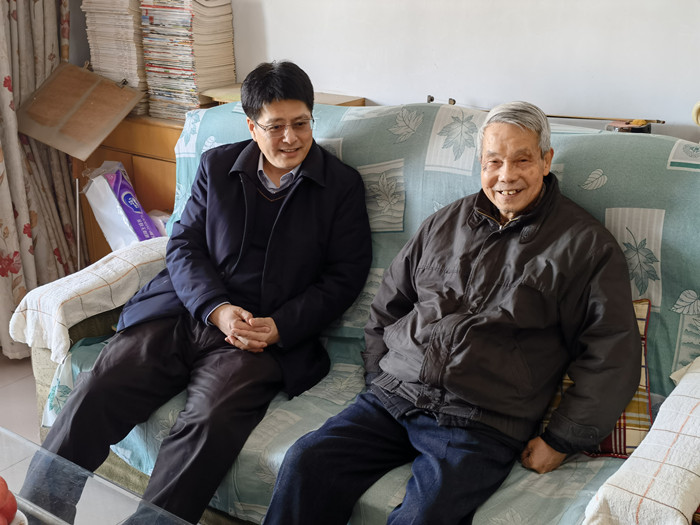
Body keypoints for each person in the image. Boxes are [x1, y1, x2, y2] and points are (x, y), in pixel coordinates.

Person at [263, 101, 640, 524]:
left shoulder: (586, 246)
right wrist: (379, 373)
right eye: (493, 161)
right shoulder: (445, 222)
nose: (506, 176)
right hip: (396, 396)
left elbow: (612, 353)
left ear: (546, 161)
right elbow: (388, 305)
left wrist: (561, 439)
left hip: (481, 421)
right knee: (306, 462)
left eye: (522, 160)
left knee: (423, 518)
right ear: (481, 164)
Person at [37, 61, 372, 524]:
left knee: (209, 423)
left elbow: (345, 276)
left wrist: (280, 327)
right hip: (184, 312)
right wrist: (216, 308)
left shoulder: (341, 186)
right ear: (252, 126)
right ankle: (36, 512)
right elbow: (184, 245)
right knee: (99, 388)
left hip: (258, 337)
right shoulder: (218, 167)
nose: (291, 138)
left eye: (301, 124)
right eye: (276, 127)